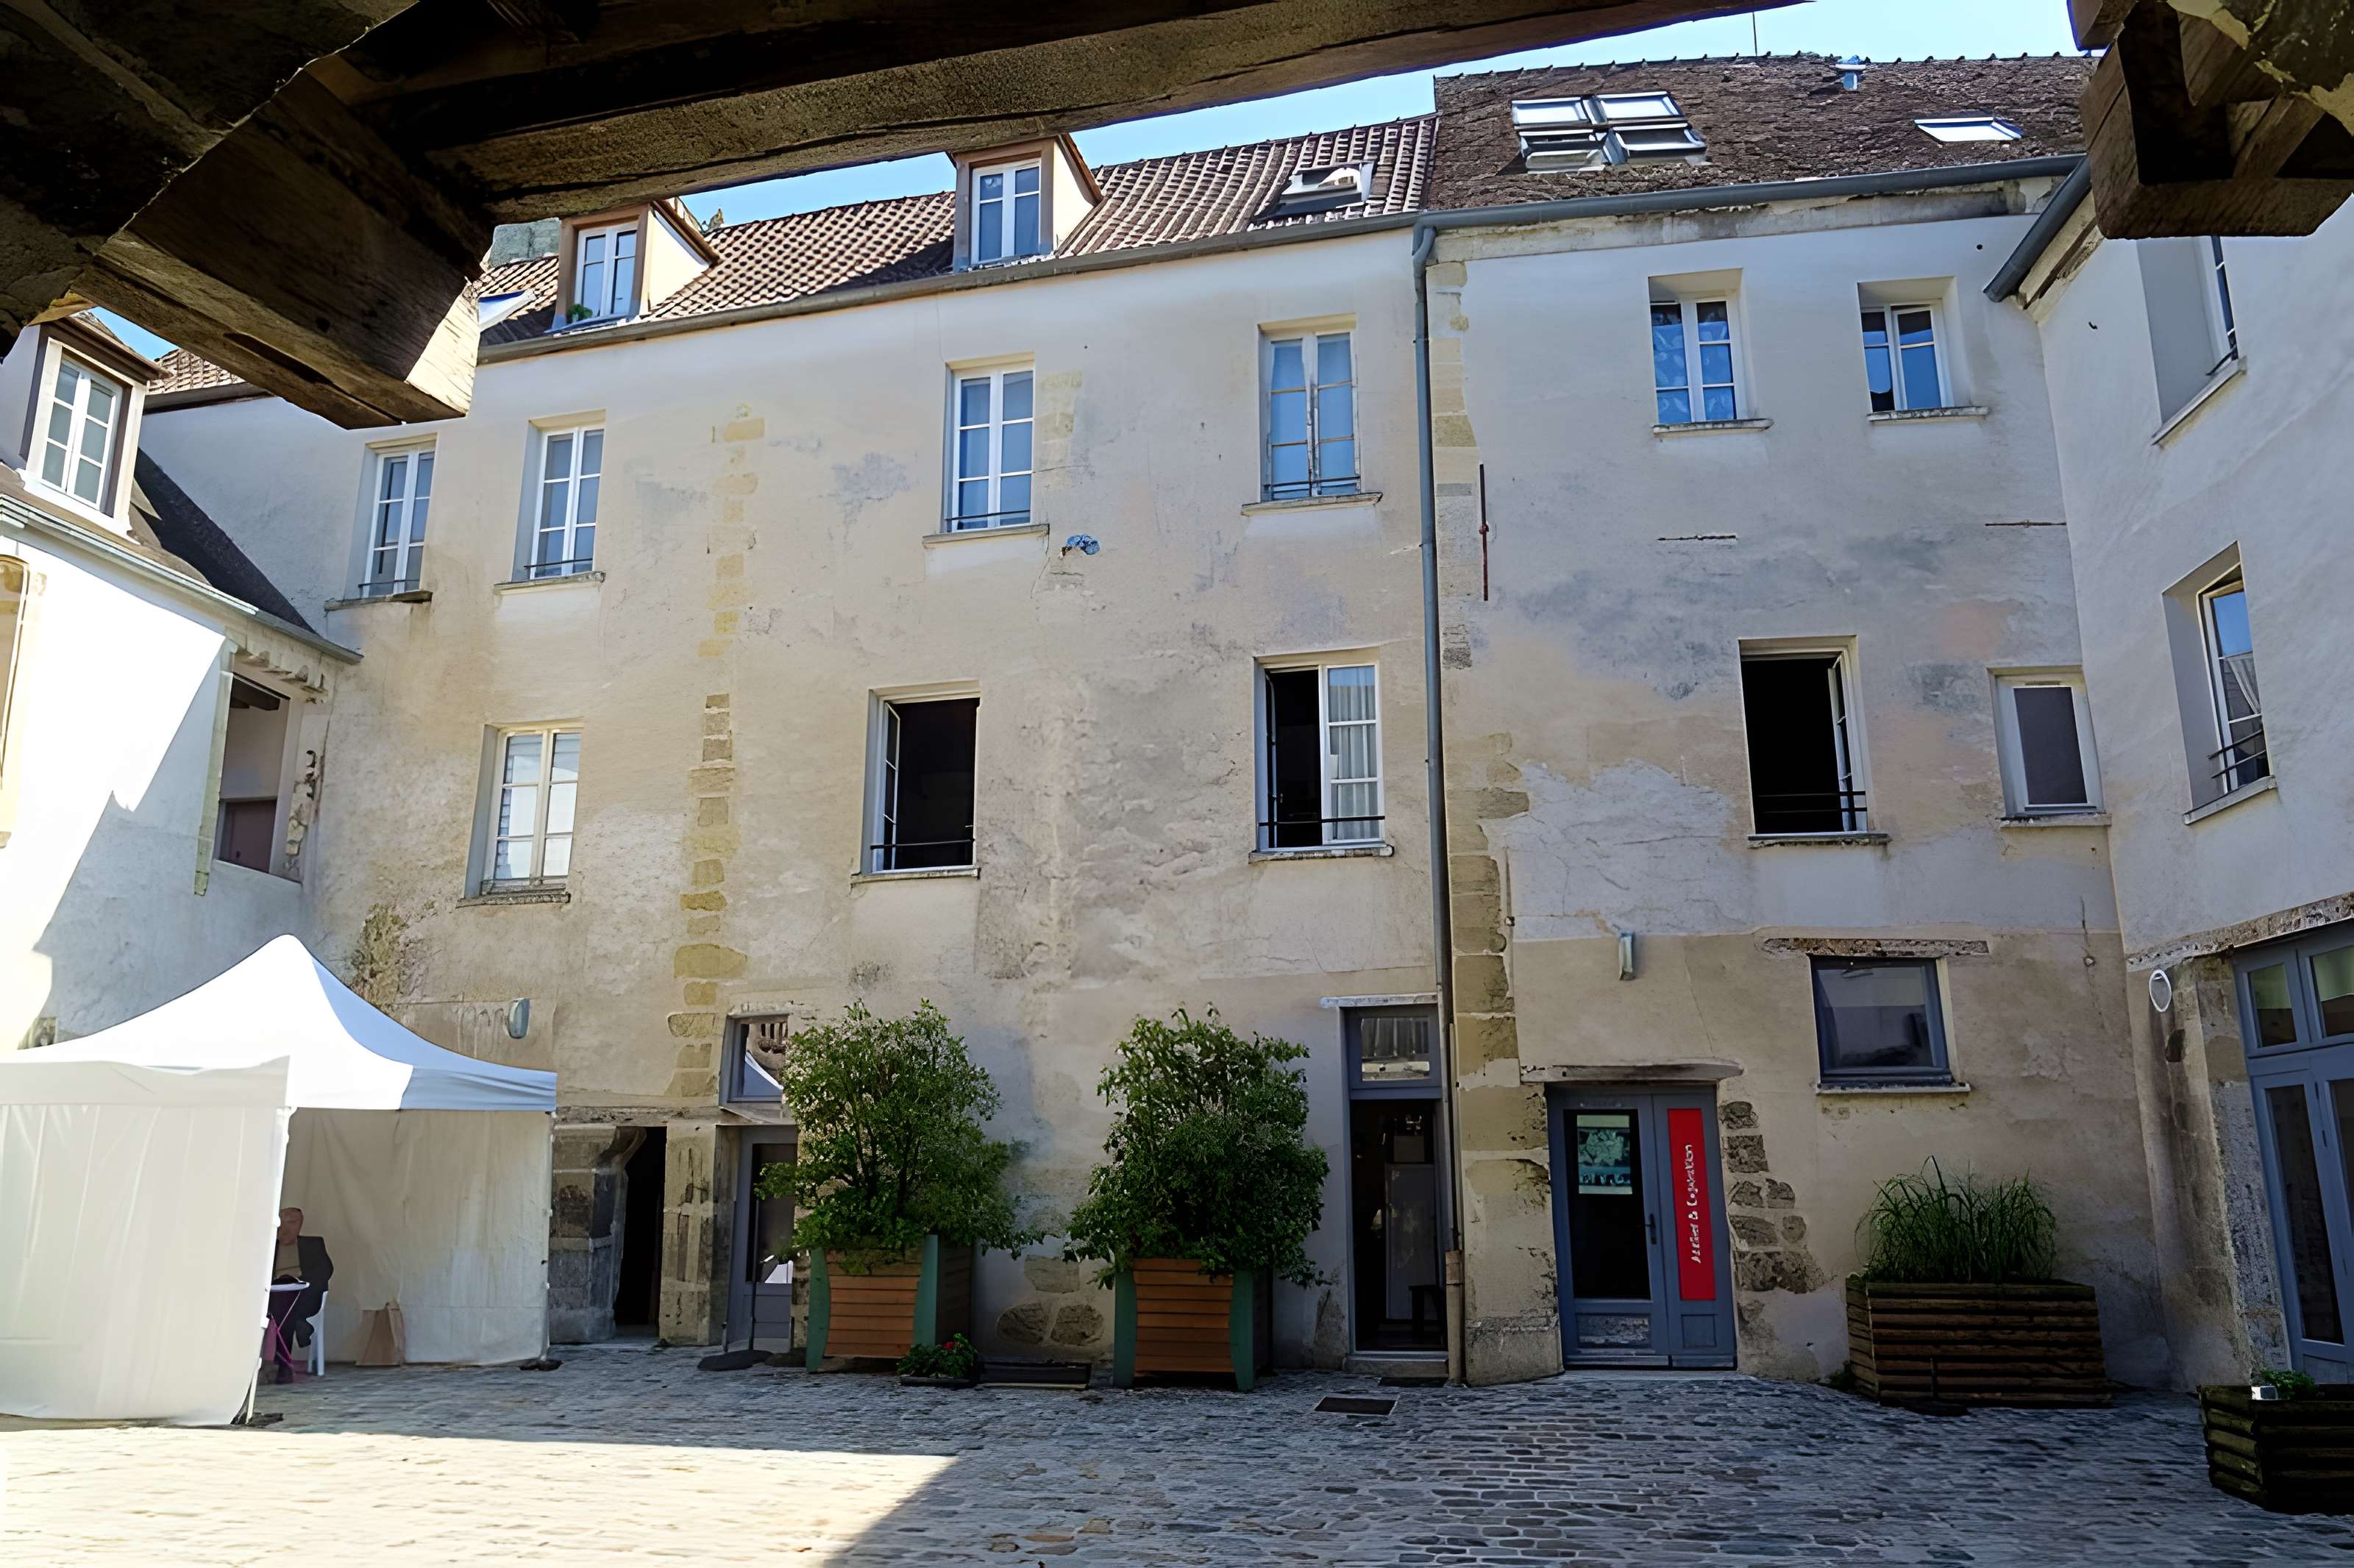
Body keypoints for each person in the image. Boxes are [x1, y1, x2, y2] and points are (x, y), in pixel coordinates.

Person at [265, 1206, 333, 1380]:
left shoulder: (313, 1245)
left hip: (303, 1297)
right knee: (283, 1308)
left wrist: (301, 1283)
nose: (286, 1227)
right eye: (282, 1222)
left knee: (285, 1311)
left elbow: (325, 1271)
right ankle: (300, 1325)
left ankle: (283, 1365)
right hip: (273, 1296)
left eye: (292, 1222)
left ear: (300, 1225)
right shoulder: (268, 1245)